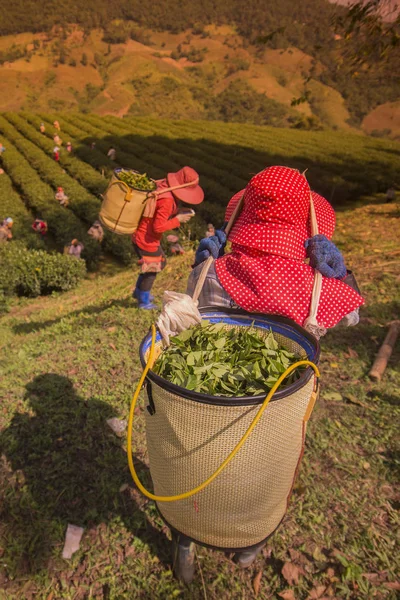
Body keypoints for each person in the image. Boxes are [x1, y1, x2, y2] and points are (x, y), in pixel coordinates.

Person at [188, 166, 364, 340]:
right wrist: (341, 276)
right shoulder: (316, 286)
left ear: (243, 215)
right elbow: (351, 318)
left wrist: (201, 267)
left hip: (219, 364)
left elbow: (195, 306)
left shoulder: (208, 274)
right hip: (294, 368)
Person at [132, 166, 204, 309]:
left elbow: (159, 212)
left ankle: (139, 292)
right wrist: (178, 219)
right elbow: (158, 227)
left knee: (158, 263)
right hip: (146, 239)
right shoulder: (167, 200)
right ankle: (143, 301)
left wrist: (178, 211)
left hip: (143, 236)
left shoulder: (163, 186)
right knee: (152, 270)